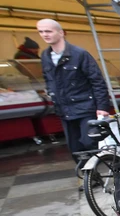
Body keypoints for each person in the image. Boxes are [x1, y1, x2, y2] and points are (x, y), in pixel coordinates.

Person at [36, 18, 112, 163]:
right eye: (41, 31)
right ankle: (88, 177)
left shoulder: (79, 54)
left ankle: (91, 170)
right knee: (74, 147)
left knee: (88, 142)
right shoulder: (45, 56)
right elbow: (48, 79)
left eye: (48, 31)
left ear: (61, 32)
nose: (45, 34)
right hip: (64, 109)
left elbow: (97, 80)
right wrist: (51, 94)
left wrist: (102, 107)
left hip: (85, 106)